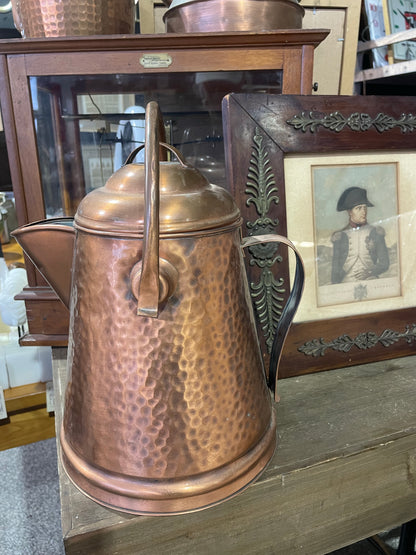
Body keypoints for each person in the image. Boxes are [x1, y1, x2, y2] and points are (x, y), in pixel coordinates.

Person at [331, 186, 389, 284]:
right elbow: (335, 272)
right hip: (346, 283)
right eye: (359, 208)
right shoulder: (340, 236)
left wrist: (370, 272)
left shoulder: (376, 232)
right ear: (350, 212)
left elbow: (385, 264)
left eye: (365, 208)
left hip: (371, 281)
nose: (364, 212)